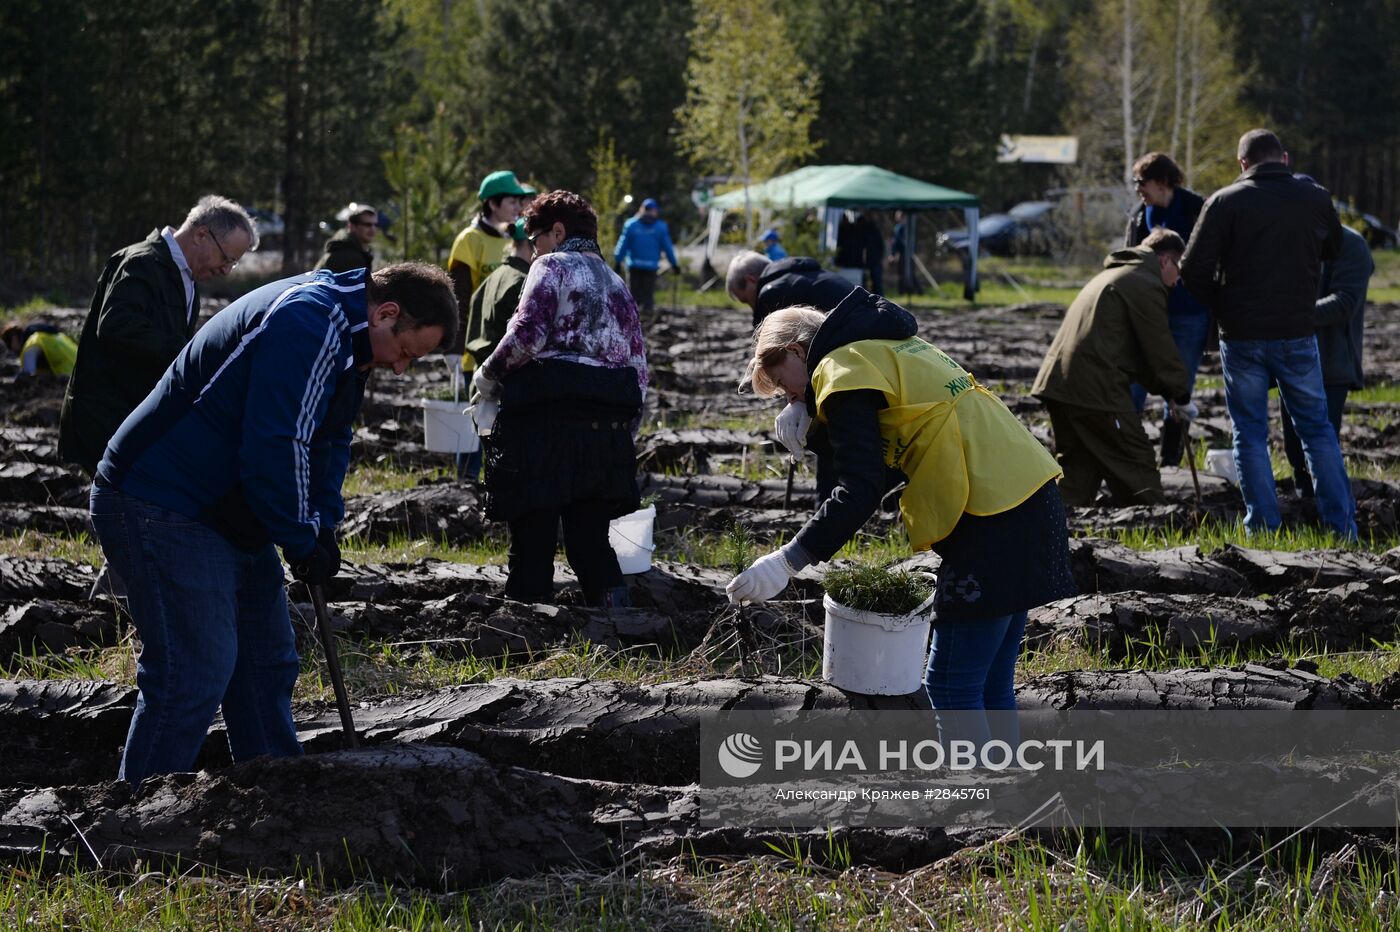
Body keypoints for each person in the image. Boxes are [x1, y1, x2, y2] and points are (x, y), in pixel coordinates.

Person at [90, 262, 456, 785]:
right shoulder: (311, 321)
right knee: (195, 669)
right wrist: (298, 534)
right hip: (162, 499)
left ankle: (279, 800)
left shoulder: (350, 337)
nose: (400, 368)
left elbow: (328, 438)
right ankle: (133, 828)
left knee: (266, 664)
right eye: (405, 353)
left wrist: (323, 523)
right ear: (387, 313)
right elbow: (275, 444)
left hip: (226, 508)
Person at [727, 304, 1073, 746]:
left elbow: (862, 487)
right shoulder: (878, 347)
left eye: (781, 385)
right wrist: (817, 428)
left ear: (795, 352)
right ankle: (1006, 794)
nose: (788, 397)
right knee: (987, 683)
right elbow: (880, 461)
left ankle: (976, 802)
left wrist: (787, 560)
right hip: (1027, 495)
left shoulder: (841, 368)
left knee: (949, 684)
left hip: (993, 516)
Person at [472, 191, 647, 608]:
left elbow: (527, 335)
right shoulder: (615, 280)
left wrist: (488, 375)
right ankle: (616, 630)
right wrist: (627, 428)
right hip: (603, 432)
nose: (533, 251)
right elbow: (638, 362)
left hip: (545, 427)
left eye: (535, 241)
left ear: (558, 231)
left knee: (533, 536)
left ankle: (523, 635)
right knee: (590, 542)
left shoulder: (552, 266)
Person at [1180, 129, 1356, 540]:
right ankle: (1342, 528)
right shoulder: (1314, 197)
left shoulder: (1224, 202)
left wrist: (1222, 305)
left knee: (1250, 432)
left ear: (1242, 163)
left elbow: (1192, 268)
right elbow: (1334, 247)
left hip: (1241, 335)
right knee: (1317, 430)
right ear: (1285, 158)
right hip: (1297, 329)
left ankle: (1263, 527)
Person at [58, 196, 257, 477]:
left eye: (232, 263)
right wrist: (190, 352)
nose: (225, 270)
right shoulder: (140, 263)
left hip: (137, 417)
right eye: (226, 258)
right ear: (202, 234)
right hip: (106, 418)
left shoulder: (187, 278)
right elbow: (115, 324)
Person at [1032, 229, 1196, 506]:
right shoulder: (1145, 283)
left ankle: (1052, 533)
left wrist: (1166, 390)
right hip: (1094, 388)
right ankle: (1155, 526)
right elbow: (1159, 347)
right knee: (1137, 463)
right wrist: (1180, 395)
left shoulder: (1116, 274)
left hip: (1060, 384)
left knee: (1078, 472)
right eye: (1179, 269)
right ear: (1166, 260)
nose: (1178, 279)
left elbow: (1131, 353)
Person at [1124, 152, 1210, 467]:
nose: (1138, 190)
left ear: (1162, 182)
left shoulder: (1196, 209)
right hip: (1149, 314)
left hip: (1190, 314)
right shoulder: (1138, 215)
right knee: (1132, 382)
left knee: (1179, 387)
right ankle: (1127, 455)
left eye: (1141, 182)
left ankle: (1170, 459)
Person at [1280, 210, 1374, 496]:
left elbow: (1345, 302)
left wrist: (1290, 316)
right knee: (1294, 446)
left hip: (1332, 362)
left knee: (1322, 442)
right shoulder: (1291, 241)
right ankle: (1304, 500)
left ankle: (1332, 509)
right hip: (1291, 359)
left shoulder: (1351, 244)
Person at [458, 219, 534, 482]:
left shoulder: (490, 279)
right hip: (507, 394)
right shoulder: (523, 284)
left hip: (482, 391)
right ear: (532, 245)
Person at [447, 170, 529, 353]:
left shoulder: (518, 239)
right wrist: (455, 347)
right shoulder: (468, 240)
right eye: (512, 202)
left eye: (519, 202)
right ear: (492, 203)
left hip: (512, 349)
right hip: (475, 350)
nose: (518, 208)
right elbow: (459, 297)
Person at [726, 250, 857, 330]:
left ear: (751, 280)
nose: (752, 307)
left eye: (746, 300)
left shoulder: (773, 292)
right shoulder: (799, 274)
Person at [612, 197, 680, 318]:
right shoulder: (660, 227)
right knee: (648, 295)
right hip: (650, 267)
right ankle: (647, 319)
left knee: (633, 295)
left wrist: (618, 261)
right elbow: (668, 247)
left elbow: (623, 244)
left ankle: (633, 320)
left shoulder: (631, 224)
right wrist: (674, 264)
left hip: (634, 266)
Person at [313, 202, 377, 274]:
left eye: (375, 225)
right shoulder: (347, 255)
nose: (373, 229)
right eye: (367, 225)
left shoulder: (349, 248)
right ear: (352, 226)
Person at [2, 321, 78, 378]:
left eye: (8, 343)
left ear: (14, 337)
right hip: (79, 368)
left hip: (72, 375)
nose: (10, 349)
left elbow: (28, 375)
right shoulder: (43, 336)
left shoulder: (31, 345)